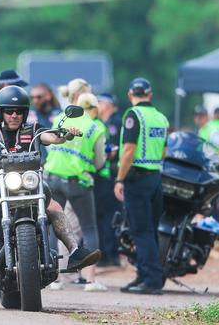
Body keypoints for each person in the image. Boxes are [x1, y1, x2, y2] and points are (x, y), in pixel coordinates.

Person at [0, 86, 100, 277]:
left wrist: (65, 133)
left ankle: (75, 252)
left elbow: (52, 137)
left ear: (25, 112)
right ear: (0, 112)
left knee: (54, 207)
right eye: (9, 111)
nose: (14, 115)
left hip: (31, 190)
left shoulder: (34, 130)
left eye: (19, 111)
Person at [45, 83, 106, 292]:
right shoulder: (95, 126)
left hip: (52, 177)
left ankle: (54, 278)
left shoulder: (59, 118)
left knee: (54, 225)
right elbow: (100, 162)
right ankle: (89, 281)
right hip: (78, 181)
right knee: (89, 227)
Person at [114, 77, 169, 295]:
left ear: (130, 95)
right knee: (150, 230)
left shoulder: (132, 115)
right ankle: (144, 275)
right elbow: (165, 151)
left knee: (140, 231)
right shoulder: (161, 118)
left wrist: (119, 179)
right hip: (155, 176)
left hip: (136, 178)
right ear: (150, 95)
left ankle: (152, 281)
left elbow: (128, 150)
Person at [94, 92, 122, 268]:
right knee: (102, 216)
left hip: (112, 174)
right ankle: (106, 253)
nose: (98, 105)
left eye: (100, 102)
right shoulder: (104, 123)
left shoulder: (115, 123)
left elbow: (115, 151)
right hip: (106, 174)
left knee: (107, 216)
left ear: (109, 105)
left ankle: (109, 255)